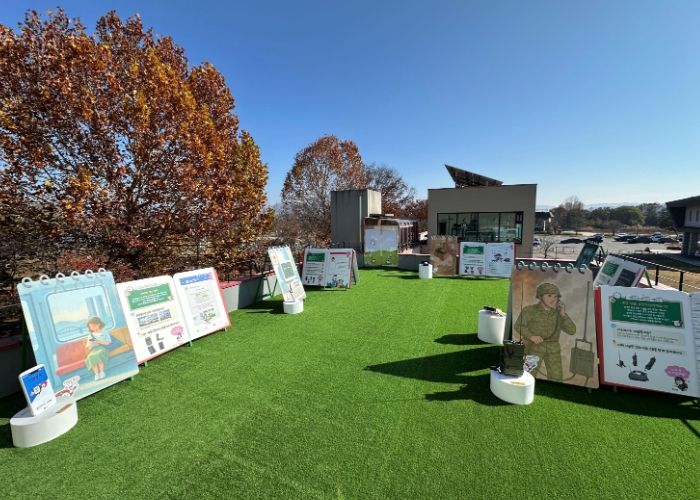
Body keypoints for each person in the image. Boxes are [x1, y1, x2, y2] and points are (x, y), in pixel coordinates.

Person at [514, 282, 576, 381]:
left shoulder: (559, 314)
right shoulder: (530, 310)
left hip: (553, 349)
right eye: (549, 296)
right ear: (540, 296)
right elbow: (518, 326)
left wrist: (563, 315)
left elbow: (572, 330)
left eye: (555, 297)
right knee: (527, 375)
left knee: (556, 377)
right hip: (534, 347)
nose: (553, 299)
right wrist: (531, 336)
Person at [85, 316, 112, 381]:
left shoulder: (104, 332)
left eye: (93, 326)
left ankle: (102, 372)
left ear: (98, 324)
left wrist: (98, 341)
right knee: (90, 356)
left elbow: (108, 342)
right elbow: (88, 347)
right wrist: (91, 345)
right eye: (91, 326)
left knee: (98, 354)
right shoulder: (90, 336)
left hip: (103, 348)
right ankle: (96, 374)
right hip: (94, 349)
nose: (92, 328)